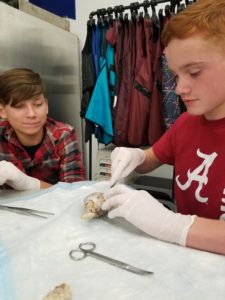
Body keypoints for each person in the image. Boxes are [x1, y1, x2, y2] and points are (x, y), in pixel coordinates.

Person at [101, 0, 225, 255]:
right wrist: (134, 157)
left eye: (194, 72)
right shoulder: (187, 122)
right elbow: (152, 157)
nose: (179, 89)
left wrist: (172, 225)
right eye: (176, 75)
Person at [0, 68, 86, 190]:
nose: (31, 114)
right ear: (2, 111)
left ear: (46, 105)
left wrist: (28, 183)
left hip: (52, 208)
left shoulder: (63, 135)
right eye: (19, 106)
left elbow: (74, 193)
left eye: (38, 104)